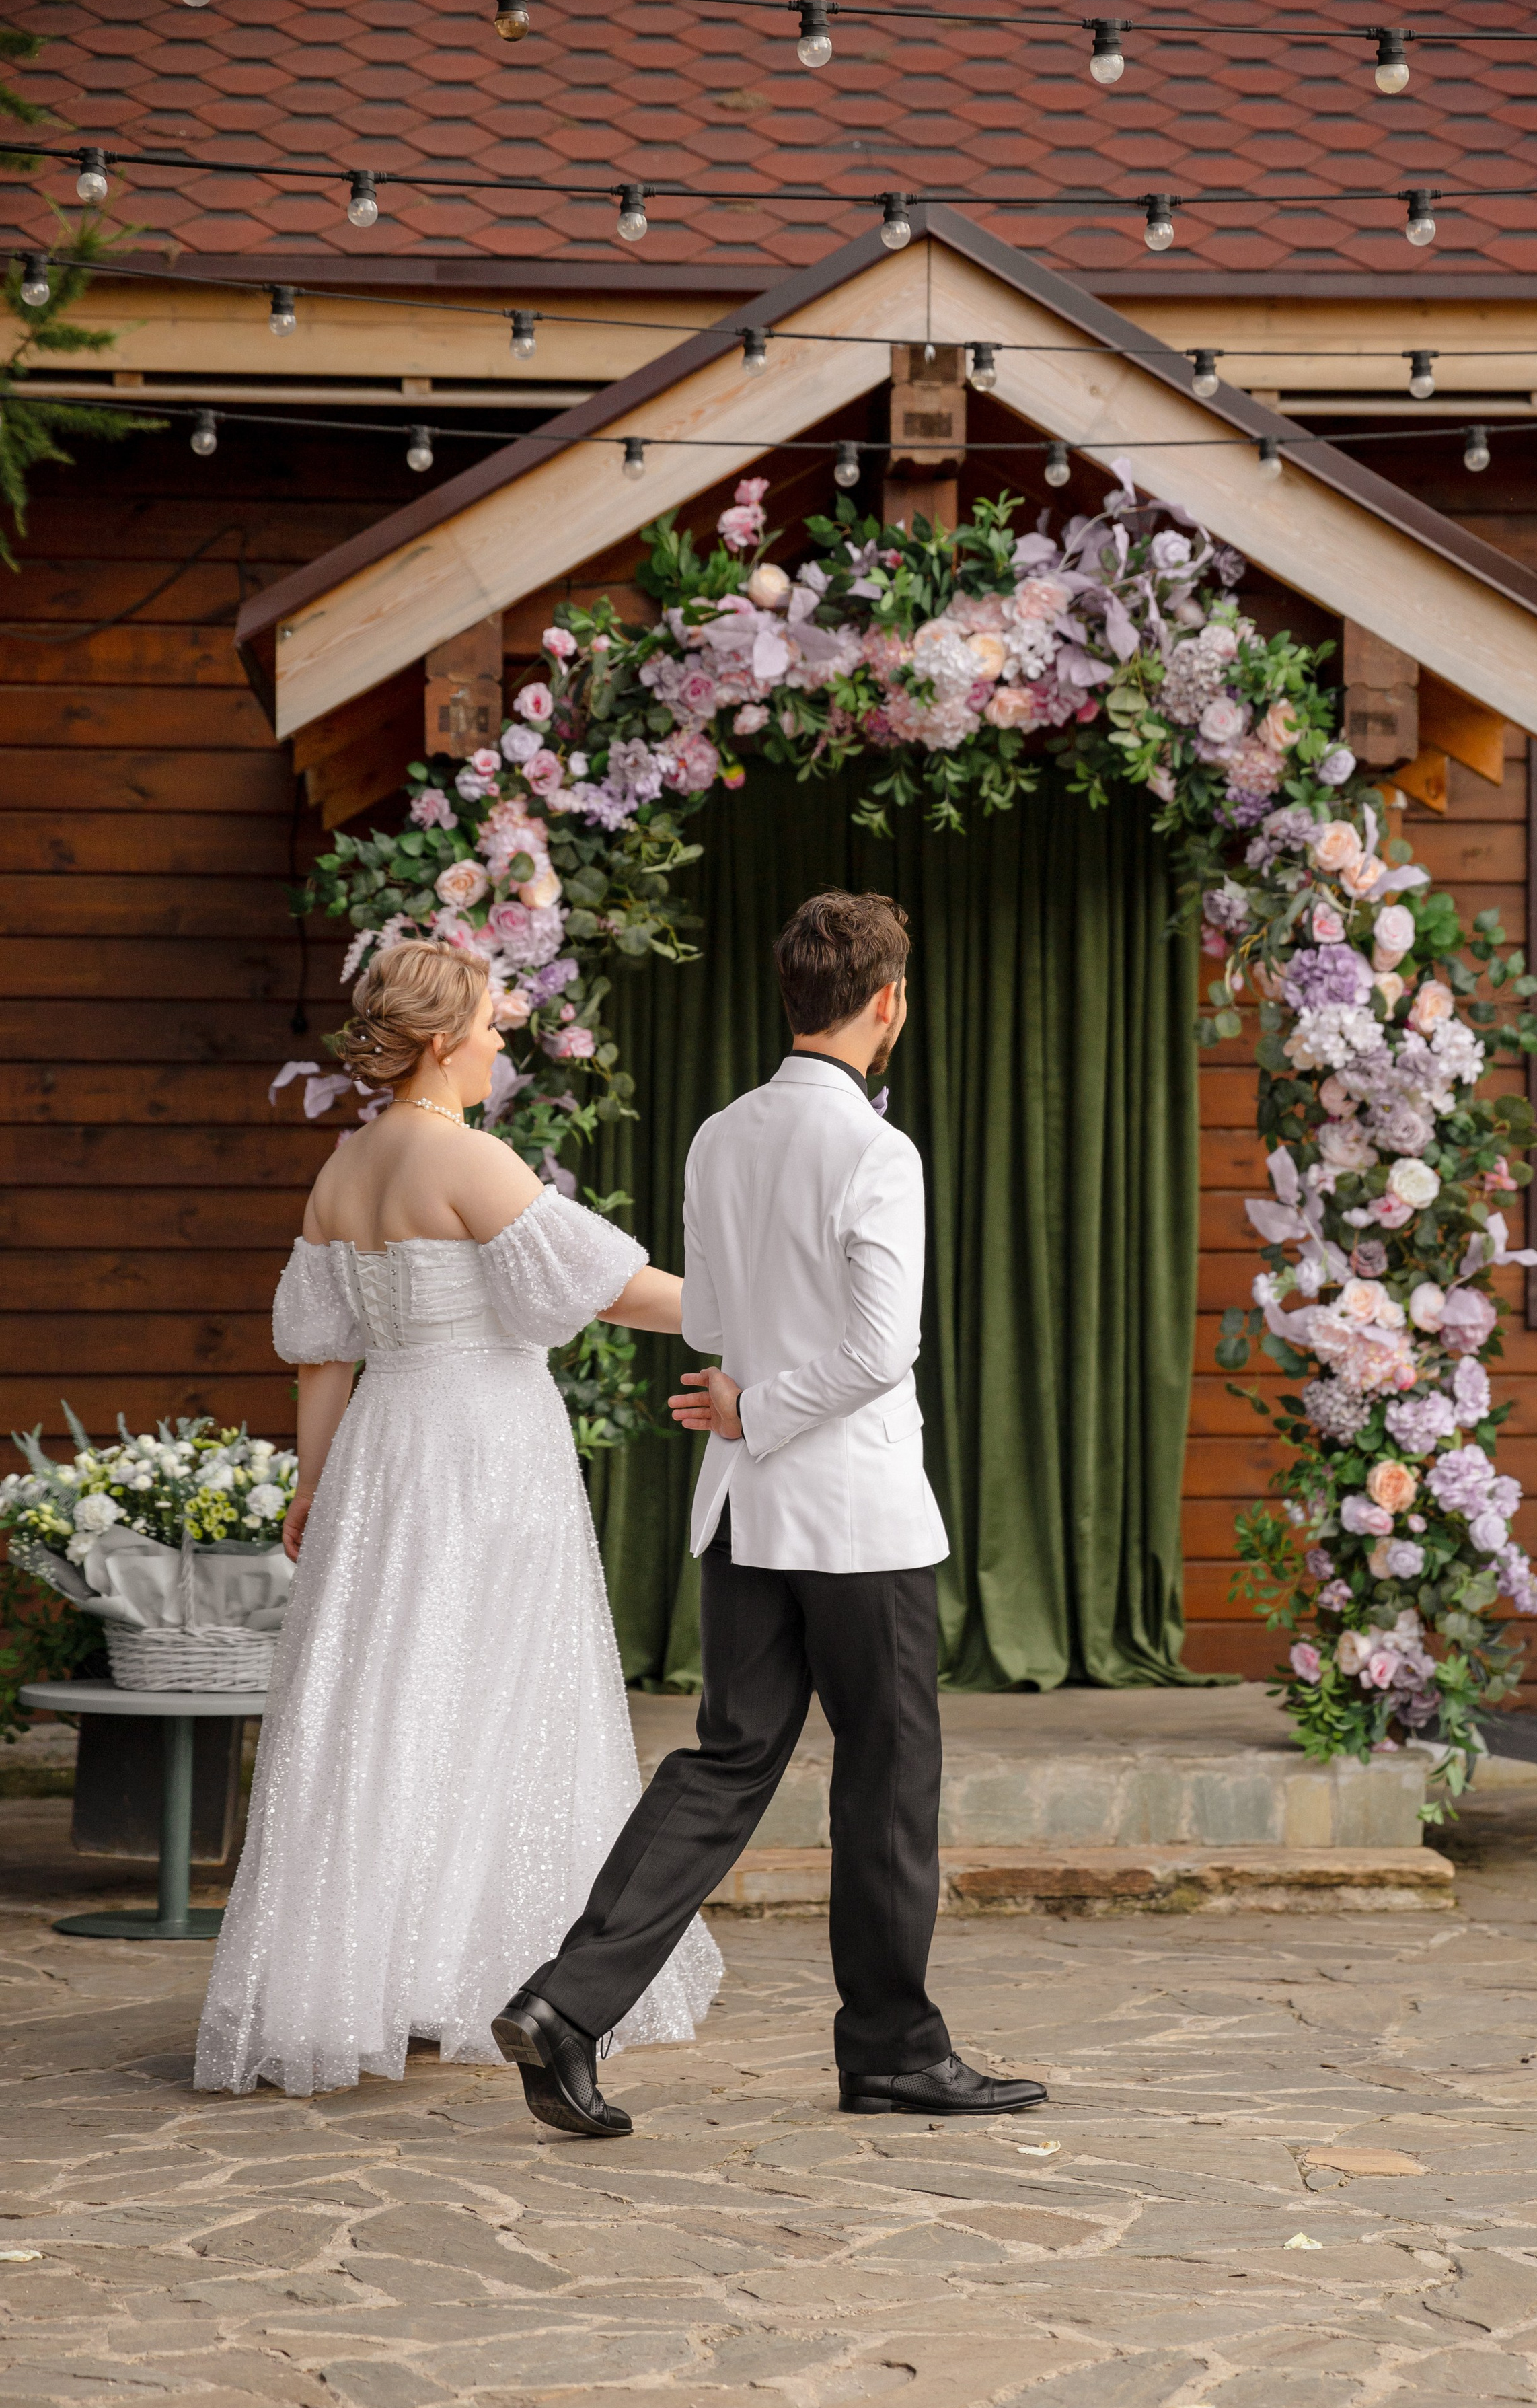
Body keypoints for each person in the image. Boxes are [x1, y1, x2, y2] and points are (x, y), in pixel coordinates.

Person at [492, 891, 1047, 2133]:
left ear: (793, 994)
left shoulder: (718, 1135)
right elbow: (880, 1353)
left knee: (726, 1762)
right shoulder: (877, 1152)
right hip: (853, 1517)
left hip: (744, 1514)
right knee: (890, 1775)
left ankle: (566, 2004)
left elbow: (703, 1324)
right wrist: (762, 1407)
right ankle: (894, 2052)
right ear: (890, 1002)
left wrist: (749, 1401)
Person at [194, 942, 720, 2099]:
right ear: (442, 1039)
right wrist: (759, 1305)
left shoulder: (342, 1173)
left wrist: (313, 1490)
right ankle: (470, 1968)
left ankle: (376, 1975)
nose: (500, 1043)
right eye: (490, 1025)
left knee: (389, 1700)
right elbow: (614, 1291)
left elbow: (324, 1361)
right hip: (481, 1456)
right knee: (493, 1695)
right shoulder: (466, 1159)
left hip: (388, 1454)